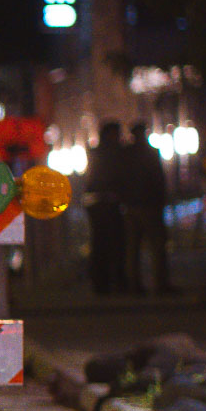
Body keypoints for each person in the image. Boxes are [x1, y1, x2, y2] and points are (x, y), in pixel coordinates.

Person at [121, 122, 176, 296]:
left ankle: (133, 285)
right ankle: (160, 284)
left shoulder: (126, 154)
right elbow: (158, 180)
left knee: (132, 248)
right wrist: (162, 200)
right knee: (157, 246)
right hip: (150, 205)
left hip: (132, 206)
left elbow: (121, 180)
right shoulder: (150, 153)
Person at [84, 121, 127, 295]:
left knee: (105, 244)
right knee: (107, 244)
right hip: (104, 203)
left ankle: (106, 282)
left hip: (103, 203)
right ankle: (106, 283)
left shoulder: (100, 152)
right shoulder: (109, 153)